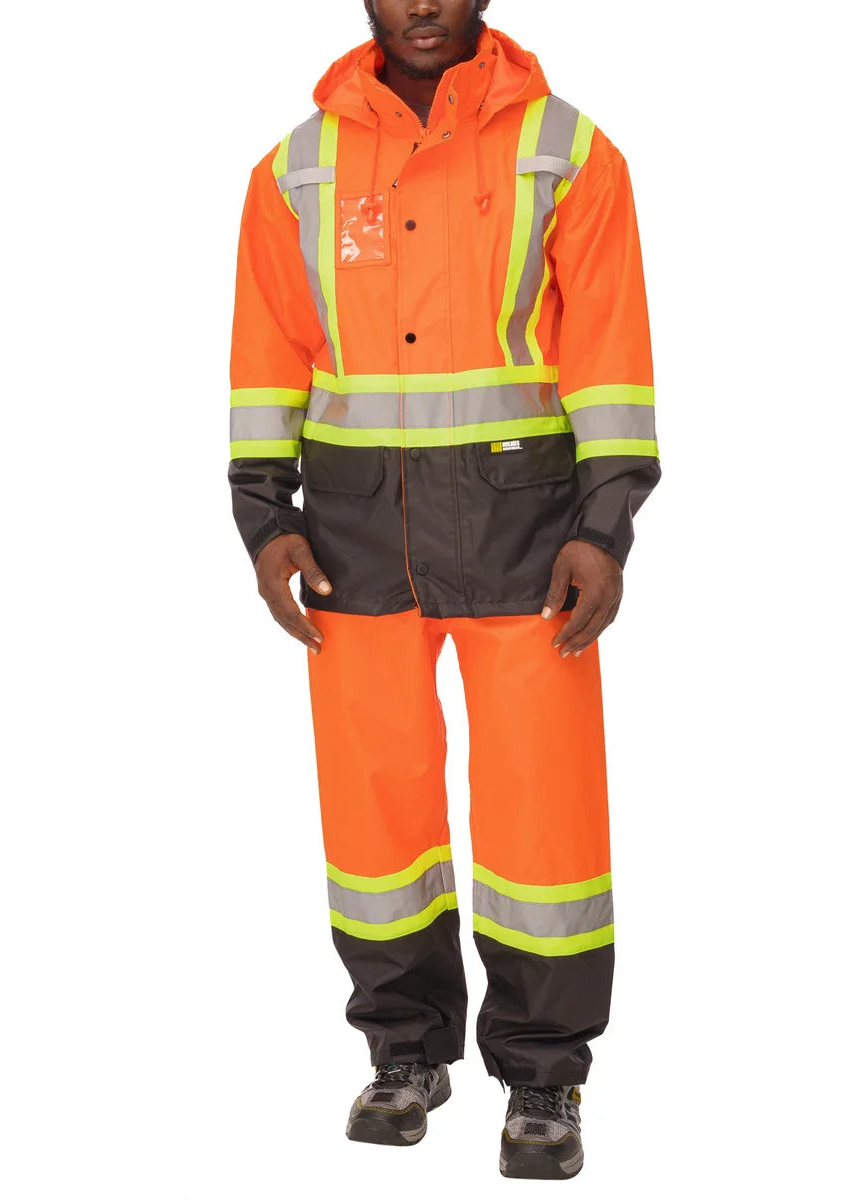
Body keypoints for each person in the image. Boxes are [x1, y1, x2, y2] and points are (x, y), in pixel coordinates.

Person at [227, 0, 659, 1180]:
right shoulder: (296, 168)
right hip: (355, 533)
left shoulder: (567, 150)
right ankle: (404, 1052)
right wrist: (265, 517)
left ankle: (545, 1074)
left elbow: (611, 347)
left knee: (543, 810)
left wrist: (607, 525)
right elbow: (268, 350)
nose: (422, 3)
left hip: (527, 527)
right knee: (376, 811)